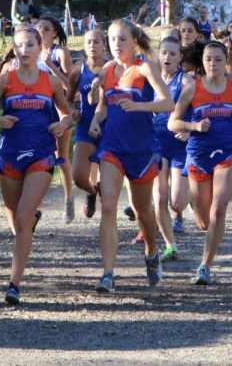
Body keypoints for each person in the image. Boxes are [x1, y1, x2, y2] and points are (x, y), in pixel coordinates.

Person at [0, 24, 72, 304]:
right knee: (18, 223)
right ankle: (28, 226)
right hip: (9, 155)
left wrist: (61, 123)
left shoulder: (51, 82)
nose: (25, 50)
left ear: (40, 47)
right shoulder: (6, 80)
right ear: (14, 48)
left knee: (21, 218)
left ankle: (13, 285)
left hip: (40, 155)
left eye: (30, 45)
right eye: (19, 45)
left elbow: (68, 115)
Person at [87, 20, 174, 292]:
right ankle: (108, 274)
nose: (116, 44)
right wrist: (95, 119)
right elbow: (101, 107)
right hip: (112, 148)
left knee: (143, 212)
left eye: (122, 39)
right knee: (109, 206)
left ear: (134, 41)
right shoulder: (107, 70)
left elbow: (168, 102)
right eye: (112, 39)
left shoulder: (144, 66)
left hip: (142, 150)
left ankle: (151, 252)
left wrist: (139, 105)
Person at [168, 41, 232, 285]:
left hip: (227, 153)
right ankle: (202, 213)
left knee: (219, 208)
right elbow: (172, 123)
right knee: (205, 221)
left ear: (226, 61)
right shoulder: (192, 89)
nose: (213, 64)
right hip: (198, 156)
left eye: (218, 59)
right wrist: (193, 126)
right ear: (203, 62)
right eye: (208, 59)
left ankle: (205, 266)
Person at [151, 36, 194, 262]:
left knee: (177, 202)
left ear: (180, 57)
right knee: (159, 199)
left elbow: (199, 112)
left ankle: (190, 195)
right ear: (158, 54)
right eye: (164, 53)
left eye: (172, 54)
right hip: (156, 144)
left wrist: (189, 130)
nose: (167, 57)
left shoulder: (186, 82)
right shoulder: (152, 80)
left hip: (179, 146)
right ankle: (171, 246)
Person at [66, 29, 108, 220]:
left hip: (110, 126)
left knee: (108, 182)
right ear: (84, 46)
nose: (92, 45)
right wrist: (72, 111)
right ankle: (91, 192)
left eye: (96, 41)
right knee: (79, 176)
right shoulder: (78, 70)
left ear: (104, 44)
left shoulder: (112, 68)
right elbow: (68, 99)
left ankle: (109, 223)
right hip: (85, 126)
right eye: (88, 42)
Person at [37, 16, 76, 223]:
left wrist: (51, 66)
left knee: (61, 157)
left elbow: (71, 85)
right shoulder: (31, 51)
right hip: (39, 110)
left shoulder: (60, 52)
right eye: (39, 28)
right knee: (38, 156)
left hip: (60, 107)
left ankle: (69, 200)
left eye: (46, 29)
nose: (42, 31)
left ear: (54, 32)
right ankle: (35, 202)